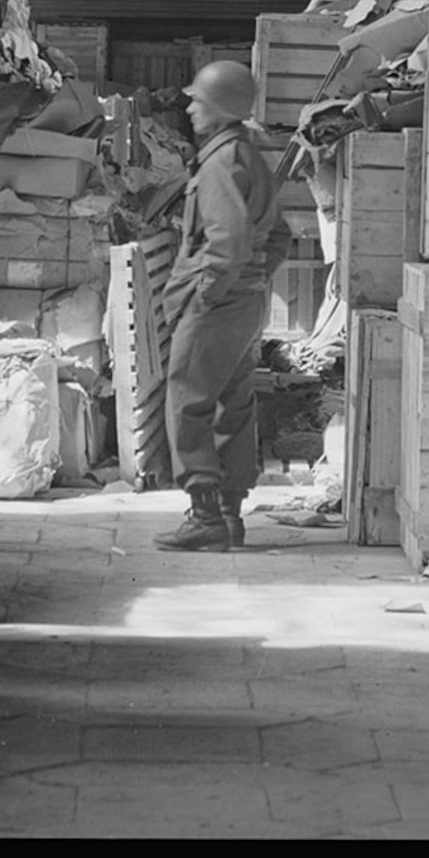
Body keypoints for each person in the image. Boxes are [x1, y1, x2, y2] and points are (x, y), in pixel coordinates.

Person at [155, 59, 293, 552]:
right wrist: (252, 281)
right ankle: (230, 515)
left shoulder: (218, 164)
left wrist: (211, 292)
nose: (190, 108)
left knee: (187, 402)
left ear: (219, 108)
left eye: (198, 100)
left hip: (217, 304)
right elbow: (279, 235)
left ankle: (204, 516)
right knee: (233, 405)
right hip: (246, 302)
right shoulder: (250, 157)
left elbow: (227, 241)